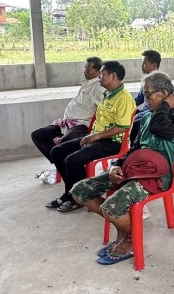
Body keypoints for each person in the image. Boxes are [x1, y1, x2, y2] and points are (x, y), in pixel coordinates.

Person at [71, 72, 174, 265]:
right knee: (80, 191)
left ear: (164, 94)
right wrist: (116, 165)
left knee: (111, 208)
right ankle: (126, 232)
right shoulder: (147, 117)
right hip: (134, 168)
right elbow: (134, 148)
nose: (145, 99)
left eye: (148, 94)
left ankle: (132, 238)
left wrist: (165, 105)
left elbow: (158, 127)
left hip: (157, 177)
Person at [45, 61, 134, 212]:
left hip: (112, 142)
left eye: (102, 74)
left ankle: (78, 198)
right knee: (57, 152)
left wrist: (95, 137)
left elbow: (122, 127)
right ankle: (72, 192)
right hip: (97, 138)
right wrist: (92, 136)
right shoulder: (108, 94)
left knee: (72, 160)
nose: (99, 77)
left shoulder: (124, 98)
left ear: (113, 76)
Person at [31, 57, 105, 165]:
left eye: (88, 70)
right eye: (85, 69)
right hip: (66, 123)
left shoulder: (99, 87)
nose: (85, 71)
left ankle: (62, 162)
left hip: (81, 125)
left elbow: (104, 108)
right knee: (38, 135)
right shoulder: (87, 84)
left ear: (98, 71)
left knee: (64, 143)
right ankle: (59, 163)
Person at [131, 50, 161, 141]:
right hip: (144, 112)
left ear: (154, 65)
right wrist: (126, 105)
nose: (142, 66)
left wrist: (137, 115)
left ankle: (134, 147)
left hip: (153, 114)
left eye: (144, 63)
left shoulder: (160, 81)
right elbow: (139, 99)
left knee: (133, 123)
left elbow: (156, 108)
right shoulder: (147, 80)